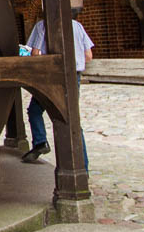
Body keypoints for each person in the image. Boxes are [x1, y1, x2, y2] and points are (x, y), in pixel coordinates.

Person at [22, 11, 94, 165]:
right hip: (74, 76)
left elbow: (35, 54)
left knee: (35, 110)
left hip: (52, 76)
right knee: (72, 118)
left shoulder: (42, 26)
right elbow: (88, 56)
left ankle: (40, 141)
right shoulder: (77, 26)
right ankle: (83, 167)